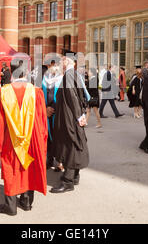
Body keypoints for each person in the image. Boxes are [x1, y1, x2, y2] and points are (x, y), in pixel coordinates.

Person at [0, 60, 48, 215]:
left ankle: (10, 206)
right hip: (32, 137)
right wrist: (43, 138)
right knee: (28, 166)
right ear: (26, 72)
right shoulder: (36, 92)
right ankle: (26, 201)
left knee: (11, 167)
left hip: (11, 138)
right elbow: (42, 119)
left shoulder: (4, 92)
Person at [51, 49, 89, 193]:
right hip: (72, 115)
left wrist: (79, 116)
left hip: (69, 117)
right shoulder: (74, 75)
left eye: (61, 60)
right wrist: (81, 114)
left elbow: (73, 97)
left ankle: (68, 181)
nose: (60, 62)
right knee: (74, 144)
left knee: (70, 146)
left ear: (67, 61)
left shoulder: (68, 76)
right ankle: (75, 176)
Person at [42, 63, 63, 169]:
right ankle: (49, 160)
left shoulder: (62, 79)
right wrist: (45, 108)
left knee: (58, 137)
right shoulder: (44, 79)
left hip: (57, 112)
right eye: (51, 65)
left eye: (55, 65)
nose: (54, 67)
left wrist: (53, 108)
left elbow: (62, 96)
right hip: (46, 112)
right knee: (47, 137)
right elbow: (40, 95)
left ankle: (59, 161)